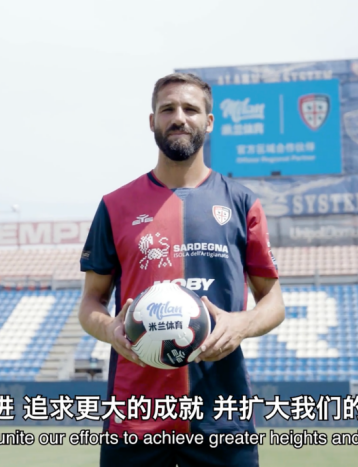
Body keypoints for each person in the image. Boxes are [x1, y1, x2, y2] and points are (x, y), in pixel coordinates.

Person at [79, 72, 286, 467]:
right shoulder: (115, 206)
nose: (179, 117)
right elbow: (90, 301)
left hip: (222, 418)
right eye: (167, 109)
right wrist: (110, 330)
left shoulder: (242, 203)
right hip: (134, 418)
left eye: (190, 109)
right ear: (152, 120)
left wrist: (241, 324)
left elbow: (273, 302)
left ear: (209, 121)